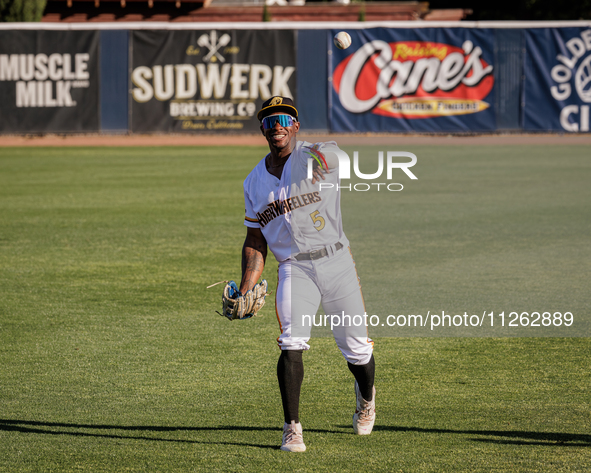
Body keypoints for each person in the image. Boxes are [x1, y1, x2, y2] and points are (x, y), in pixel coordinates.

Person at [239, 96, 376, 452]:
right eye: (270, 121)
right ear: (263, 130)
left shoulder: (316, 154)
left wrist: (322, 161)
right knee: (291, 342)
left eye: (284, 119)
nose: (277, 126)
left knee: (357, 350)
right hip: (294, 268)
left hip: (337, 262)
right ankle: (292, 427)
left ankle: (366, 398)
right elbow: (255, 238)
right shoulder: (253, 182)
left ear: (296, 127)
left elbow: (341, 160)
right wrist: (245, 287)